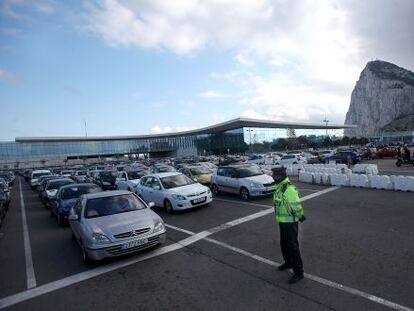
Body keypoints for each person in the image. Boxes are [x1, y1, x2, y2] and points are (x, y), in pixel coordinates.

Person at [272, 167, 305, 284]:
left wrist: (301, 216)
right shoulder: (280, 187)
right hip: (282, 222)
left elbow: (296, 205)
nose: (273, 177)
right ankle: (288, 263)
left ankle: (298, 272)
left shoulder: (288, 188)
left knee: (293, 247)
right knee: (284, 244)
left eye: (274, 175)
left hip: (290, 222)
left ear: (279, 176)